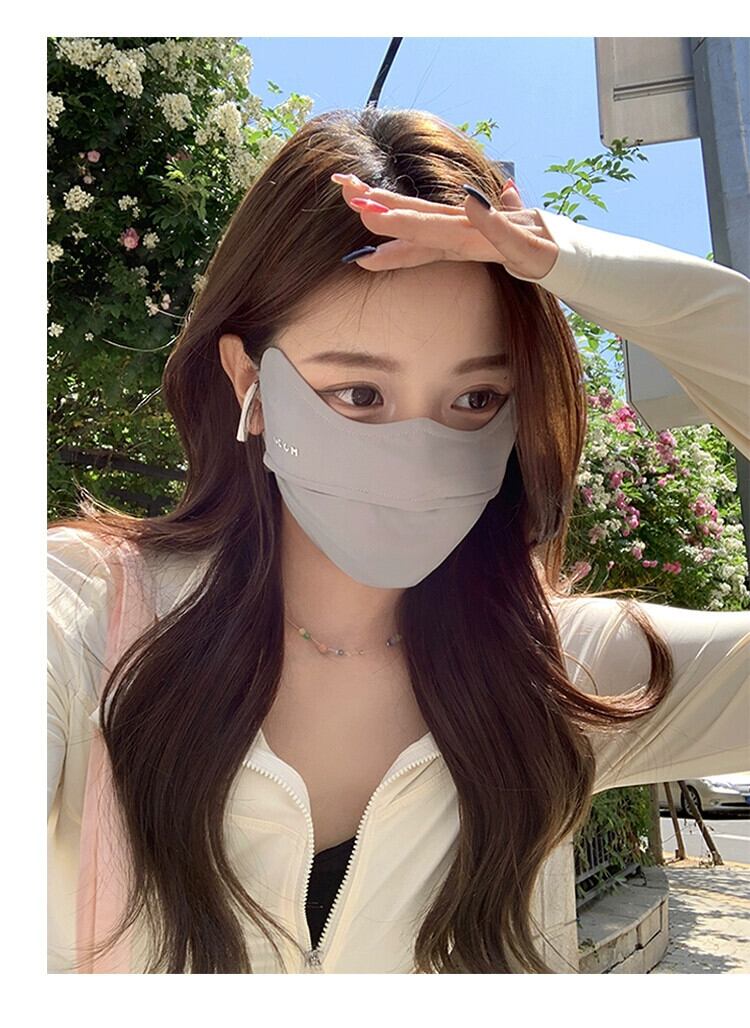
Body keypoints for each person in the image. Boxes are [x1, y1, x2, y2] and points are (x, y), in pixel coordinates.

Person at [47, 106, 750, 974]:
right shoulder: (78, 621)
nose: (418, 454)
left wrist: (572, 261)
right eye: (358, 395)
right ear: (247, 383)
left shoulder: (562, 673)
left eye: (476, 400)